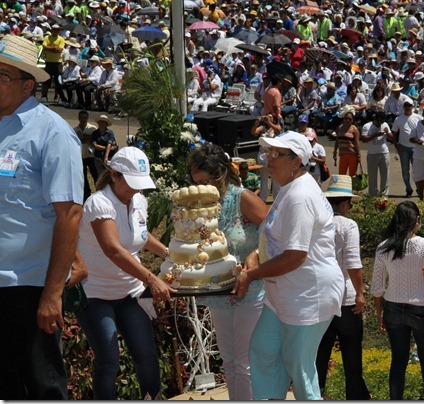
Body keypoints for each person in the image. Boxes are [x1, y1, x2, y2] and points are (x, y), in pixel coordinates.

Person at [0, 34, 84, 400]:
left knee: (41, 386)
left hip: (29, 285)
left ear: (26, 85)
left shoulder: (53, 133)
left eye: (1, 76)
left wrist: (52, 294)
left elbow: (70, 214)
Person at [233, 131, 345, 400]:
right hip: (284, 292)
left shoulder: (300, 196)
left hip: (307, 293)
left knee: (299, 363)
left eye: (277, 154)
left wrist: (252, 274)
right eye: (268, 153)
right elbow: (275, 238)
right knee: (264, 349)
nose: (269, 159)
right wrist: (256, 256)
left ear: (296, 162)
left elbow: (295, 255)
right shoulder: (289, 189)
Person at [75, 147, 175, 400]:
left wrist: (169, 253)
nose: (136, 190)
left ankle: (152, 397)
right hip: (95, 294)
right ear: (114, 175)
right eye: (131, 183)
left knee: (146, 355)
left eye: (140, 184)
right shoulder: (99, 203)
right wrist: (151, 279)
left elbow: (140, 236)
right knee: (108, 360)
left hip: (130, 292)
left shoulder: (139, 200)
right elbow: (114, 250)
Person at [186, 144, 269, 400]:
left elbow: (276, 234)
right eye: (196, 181)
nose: (201, 186)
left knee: (244, 360)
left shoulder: (243, 197)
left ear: (220, 175)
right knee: (229, 360)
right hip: (218, 291)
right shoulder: (202, 205)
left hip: (251, 287)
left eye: (206, 181)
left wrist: (255, 255)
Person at [370, 201, 424, 400]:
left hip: (392, 308)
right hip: (422, 309)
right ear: (417, 220)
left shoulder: (383, 247)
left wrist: (379, 313)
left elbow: (377, 287)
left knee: (398, 361)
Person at [316, 175, 370, 400]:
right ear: (346, 202)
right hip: (345, 295)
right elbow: (353, 263)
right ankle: (356, 396)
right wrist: (360, 292)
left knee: (319, 351)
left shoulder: (317, 222)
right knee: (351, 352)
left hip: (321, 295)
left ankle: (315, 393)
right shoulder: (348, 225)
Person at [391, 99, 421, 198]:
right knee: (405, 170)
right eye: (406, 105)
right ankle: (408, 189)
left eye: (409, 105)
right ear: (403, 107)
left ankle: (419, 188)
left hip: (415, 148)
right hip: (403, 147)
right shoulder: (398, 119)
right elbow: (393, 134)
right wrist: (396, 146)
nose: (408, 107)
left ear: (413, 106)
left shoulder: (418, 118)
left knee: (416, 169)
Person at [360, 110, 391, 197]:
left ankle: (384, 196)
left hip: (384, 153)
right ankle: (373, 196)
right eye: (379, 121)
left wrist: (387, 133)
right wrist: (375, 135)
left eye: (382, 121)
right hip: (372, 154)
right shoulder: (367, 126)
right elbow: (363, 139)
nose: (380, 124)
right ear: (375, 119)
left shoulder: (385, 125)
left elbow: (392, 137)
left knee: (385, 176)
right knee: (372, 176)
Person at [73, 109, 98, 200]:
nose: (83, 119)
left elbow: (94, 139)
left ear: (87, 118)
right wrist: (86, 139)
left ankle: (99, 191)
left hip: (91, 156)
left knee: (95, 175)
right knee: (83, 176)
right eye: (81, 118)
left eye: (85, 118)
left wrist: (83, 137)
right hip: (81, 156)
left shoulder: (92, 128)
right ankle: (86, 194)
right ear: (79, 118)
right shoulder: (74, 130)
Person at [333, 110, 361, 176]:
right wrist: (335, 151)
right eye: (346, 118)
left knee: (352, 175)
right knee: (341, 175)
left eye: (350, 119)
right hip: (343, 154)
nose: (347, 120)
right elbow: (337, 141)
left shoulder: (354, 129)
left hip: (353, 155)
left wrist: (359, 155)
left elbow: (357, 143)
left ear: (352, 120)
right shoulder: (339, 128)